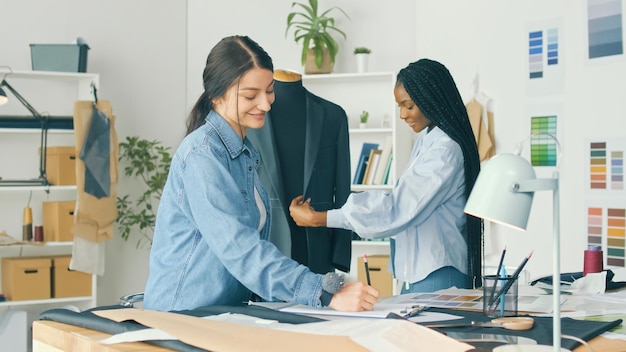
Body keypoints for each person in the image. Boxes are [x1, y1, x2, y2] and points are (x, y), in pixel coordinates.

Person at [143, 35, 378, 312]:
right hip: (183, 314)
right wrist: (324, 293)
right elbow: (240, 249)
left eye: (269, 91)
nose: (266, 104)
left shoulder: (244, 154)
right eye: (251, 95)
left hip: (222, 312)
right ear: (217, 96)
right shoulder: (203, 155)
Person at [290, 58, 483, 293]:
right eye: (399, 106)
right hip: (422, 274)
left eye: (408, 105)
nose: (402, 114)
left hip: (437, 275)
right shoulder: (428, 140)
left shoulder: (443, 151)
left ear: (431, 100)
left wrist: (319, 218)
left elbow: (397, 209)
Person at [246, 69, 353, 275]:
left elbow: (342, 189)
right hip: (263, 243)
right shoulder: (249, 118)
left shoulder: (332, 115)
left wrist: (340, 252)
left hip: (316, 245)